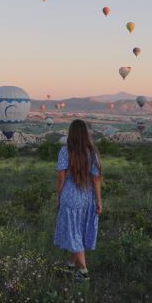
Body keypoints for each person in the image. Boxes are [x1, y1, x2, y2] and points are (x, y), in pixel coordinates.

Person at [54, 119, 103, 281]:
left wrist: (58, 198)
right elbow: (96, 179)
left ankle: (83, 271)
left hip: (70, 198)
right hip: (87, 198)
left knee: (73, 234)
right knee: (78, 233)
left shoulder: (65, 151)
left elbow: (61, 178)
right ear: (85, 134)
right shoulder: (93, 152)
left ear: (71, 133)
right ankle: (69, 266)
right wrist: (99, 201)